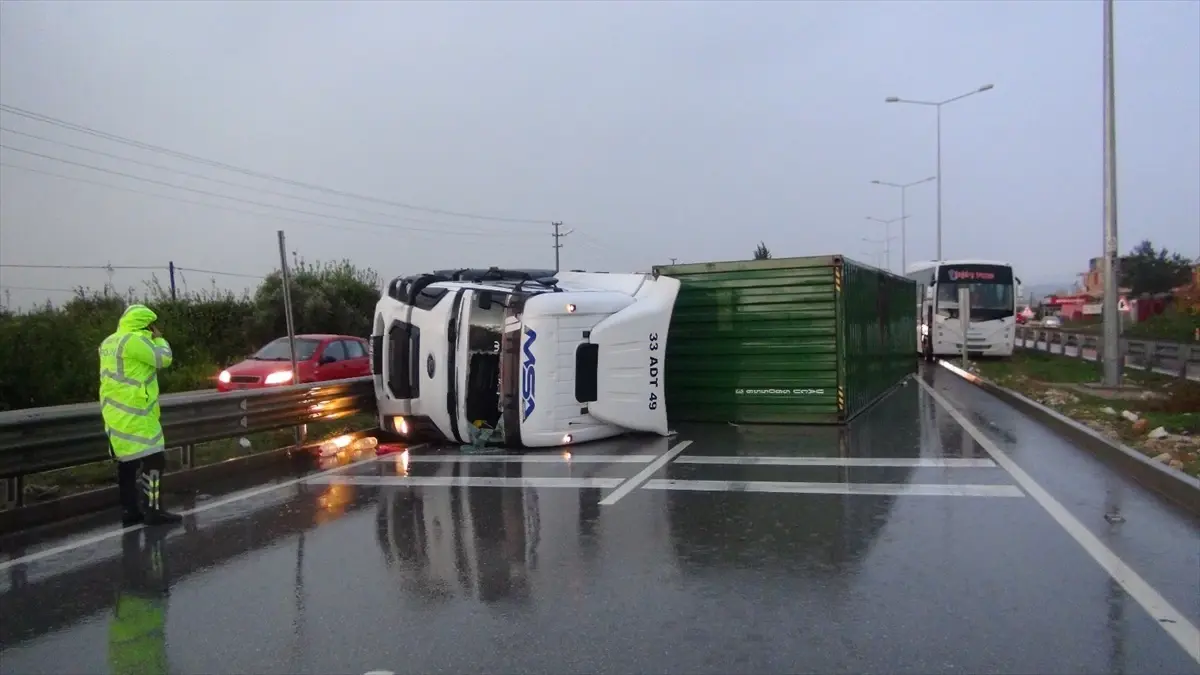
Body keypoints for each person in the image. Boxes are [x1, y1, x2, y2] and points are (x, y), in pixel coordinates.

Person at [99, 304, 182, 526]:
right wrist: (159, 339)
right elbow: (163, 359)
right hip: (137, 412)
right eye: (152, 324)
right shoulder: (135, 340)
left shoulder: (108, 342)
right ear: (146, 324)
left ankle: (130, 511)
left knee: (126, 463)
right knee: (155, 460)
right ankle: (153, 510)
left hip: (114, 412)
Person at [108, 528, 171, 674]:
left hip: (142, 604)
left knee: (149, 544)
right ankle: (148, 516)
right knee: (146, 544)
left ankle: (146, 518)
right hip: (133, 603)